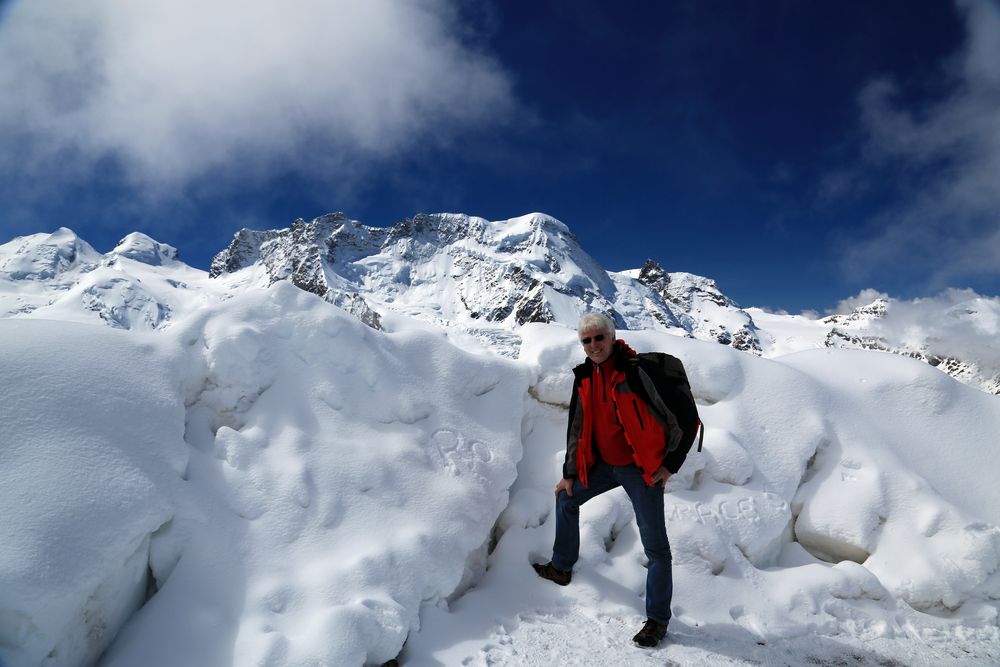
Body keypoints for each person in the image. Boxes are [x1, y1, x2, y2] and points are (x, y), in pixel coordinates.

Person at [532, 313, 693, 648]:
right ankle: (562, 567)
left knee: (657, 549)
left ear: (611, 336)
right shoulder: (586, 377)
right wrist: (569, 474)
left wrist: (670, 465)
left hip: (640, 470)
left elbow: (687, 420)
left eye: (598, 338)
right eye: (586, 341)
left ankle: (657, 620)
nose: (593, 346)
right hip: (604, 466)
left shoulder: (637, 372)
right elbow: (576, 428)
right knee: (566, 498)